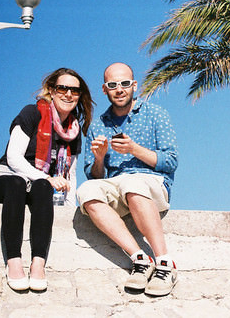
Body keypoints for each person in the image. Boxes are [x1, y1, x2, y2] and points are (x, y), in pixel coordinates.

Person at [0, 68, 93, 292]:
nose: (68, 94)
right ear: (52, 90)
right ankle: (14, 261)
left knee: (41, 187)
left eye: (75, 90)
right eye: (62, 88)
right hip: (5, 179)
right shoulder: (32, 113)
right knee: (19, 182)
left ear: (80, 96)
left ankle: (38, 263)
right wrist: (47, 178)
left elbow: (70, 175)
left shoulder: (74, 130)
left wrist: (69, 208)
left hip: (37, 188)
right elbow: (13, 157)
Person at [76, 62, 179, 297]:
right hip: (115, 185)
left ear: (134, 85)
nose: (119, 89)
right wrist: (99, 158)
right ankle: (140, 259)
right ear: (105, 89)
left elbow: (171, 161)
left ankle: (164, 262)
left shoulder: (156, 115)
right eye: (113, 85)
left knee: (133, 183)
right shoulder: (97, 125)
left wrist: (134, 149)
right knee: (86, 191)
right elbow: (94, 175)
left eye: (124, 84)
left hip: (152, 183)